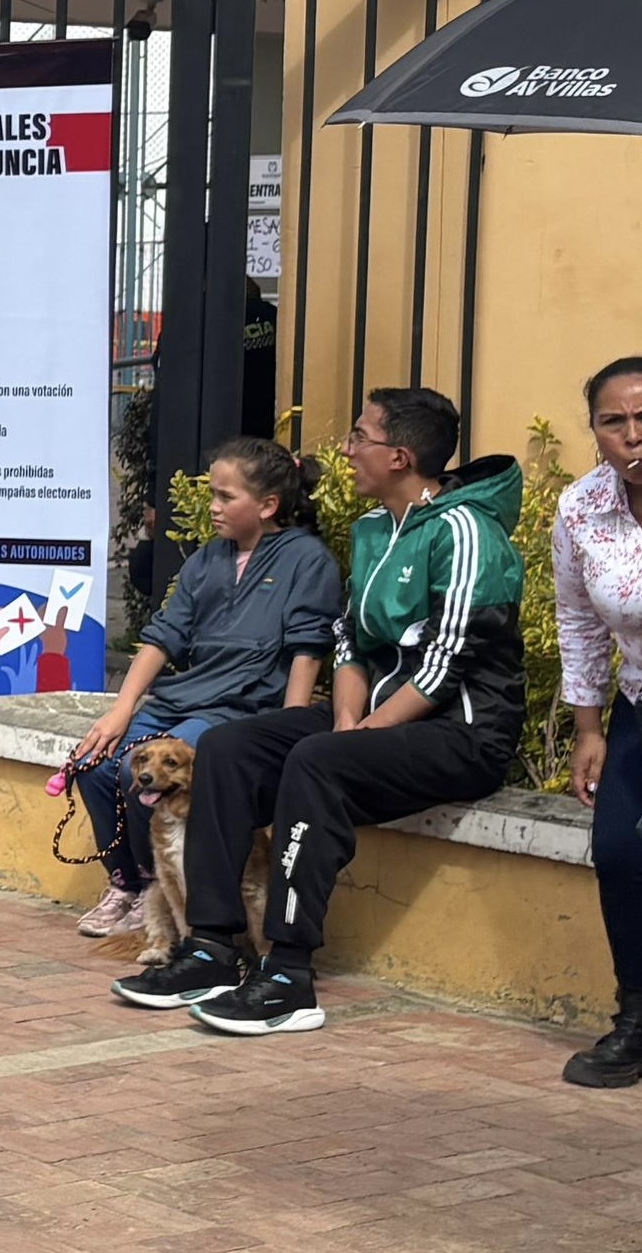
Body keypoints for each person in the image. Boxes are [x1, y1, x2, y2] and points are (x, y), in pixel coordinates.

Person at [117, 387, 525, 1036]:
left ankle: (289, 973)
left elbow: (451, 658)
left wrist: (362, 734)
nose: (345, 449)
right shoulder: (371, 531)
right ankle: (215, 949)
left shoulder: (465, 530)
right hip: (375, 723)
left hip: (460, 733)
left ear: (398, 456)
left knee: (316, 762)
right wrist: (346, 724)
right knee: (230, 745)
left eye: (359, 436)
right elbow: (351, 643)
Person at [62, 439, 341, 938]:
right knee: (97, 765)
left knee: (146, 768)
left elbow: (307, 649)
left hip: (239, 708)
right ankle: (129, 882)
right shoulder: (208, 559)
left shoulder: (307, 560)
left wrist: (290, 726)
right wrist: (120, 711)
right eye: (212, 494)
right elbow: (162, 637)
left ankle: (162, 891)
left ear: (268, 505)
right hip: (182, 696)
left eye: (225, 496)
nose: (213, 507)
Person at [556, 357, 642, 1088]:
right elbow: (579, 622)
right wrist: (589, 728)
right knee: (616, 852)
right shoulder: (582, 509)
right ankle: (634, 1021)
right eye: (614, 422)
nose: (633, 435)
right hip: (637, 706)